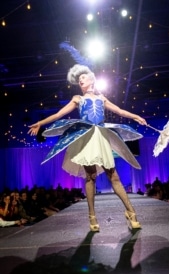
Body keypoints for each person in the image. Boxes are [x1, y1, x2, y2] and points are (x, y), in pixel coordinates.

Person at [28, 64, 147, 232]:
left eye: (82, 77)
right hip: (87, 137)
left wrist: (136, 117)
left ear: (91, 79)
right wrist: (40, 123)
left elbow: (119, 110)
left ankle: (131, 212)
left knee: (114, 176)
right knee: (90, 176)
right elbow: (58, 114)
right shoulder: (77, 98)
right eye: (78, 79)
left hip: (101, 136)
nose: (80, 80)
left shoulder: (102, 98)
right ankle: (92, 216)